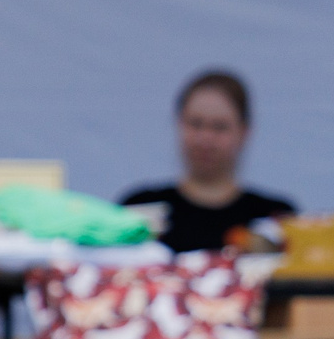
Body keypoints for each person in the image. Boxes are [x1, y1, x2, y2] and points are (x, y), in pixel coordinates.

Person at [119, 71, 295, 253]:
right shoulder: (138, 211)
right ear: (179, 124)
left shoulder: (276, 218)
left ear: (244, 133)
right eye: (196, 124)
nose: (205, 139)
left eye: (219, 127)